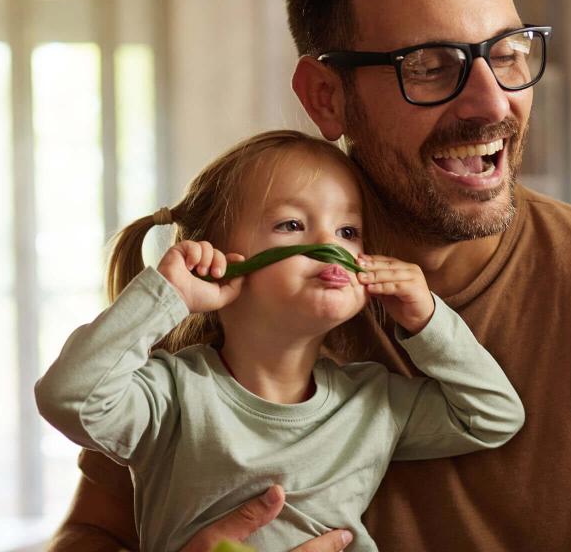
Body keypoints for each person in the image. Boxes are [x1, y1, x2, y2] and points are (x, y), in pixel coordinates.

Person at [50, 0, 571, 552]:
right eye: (429, 65)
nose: (492, 103)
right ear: (326, 97)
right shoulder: (242, 274)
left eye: (507, 53)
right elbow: (91, 531)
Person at [36, 130, 524, 551]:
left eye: (349, 230)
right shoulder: (171, 398)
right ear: (221, 260)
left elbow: (494, 415)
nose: (332, 245)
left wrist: (426, 319)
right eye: (292, 224)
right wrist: (168, 296)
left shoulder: (373, 402)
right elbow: (69, 396)